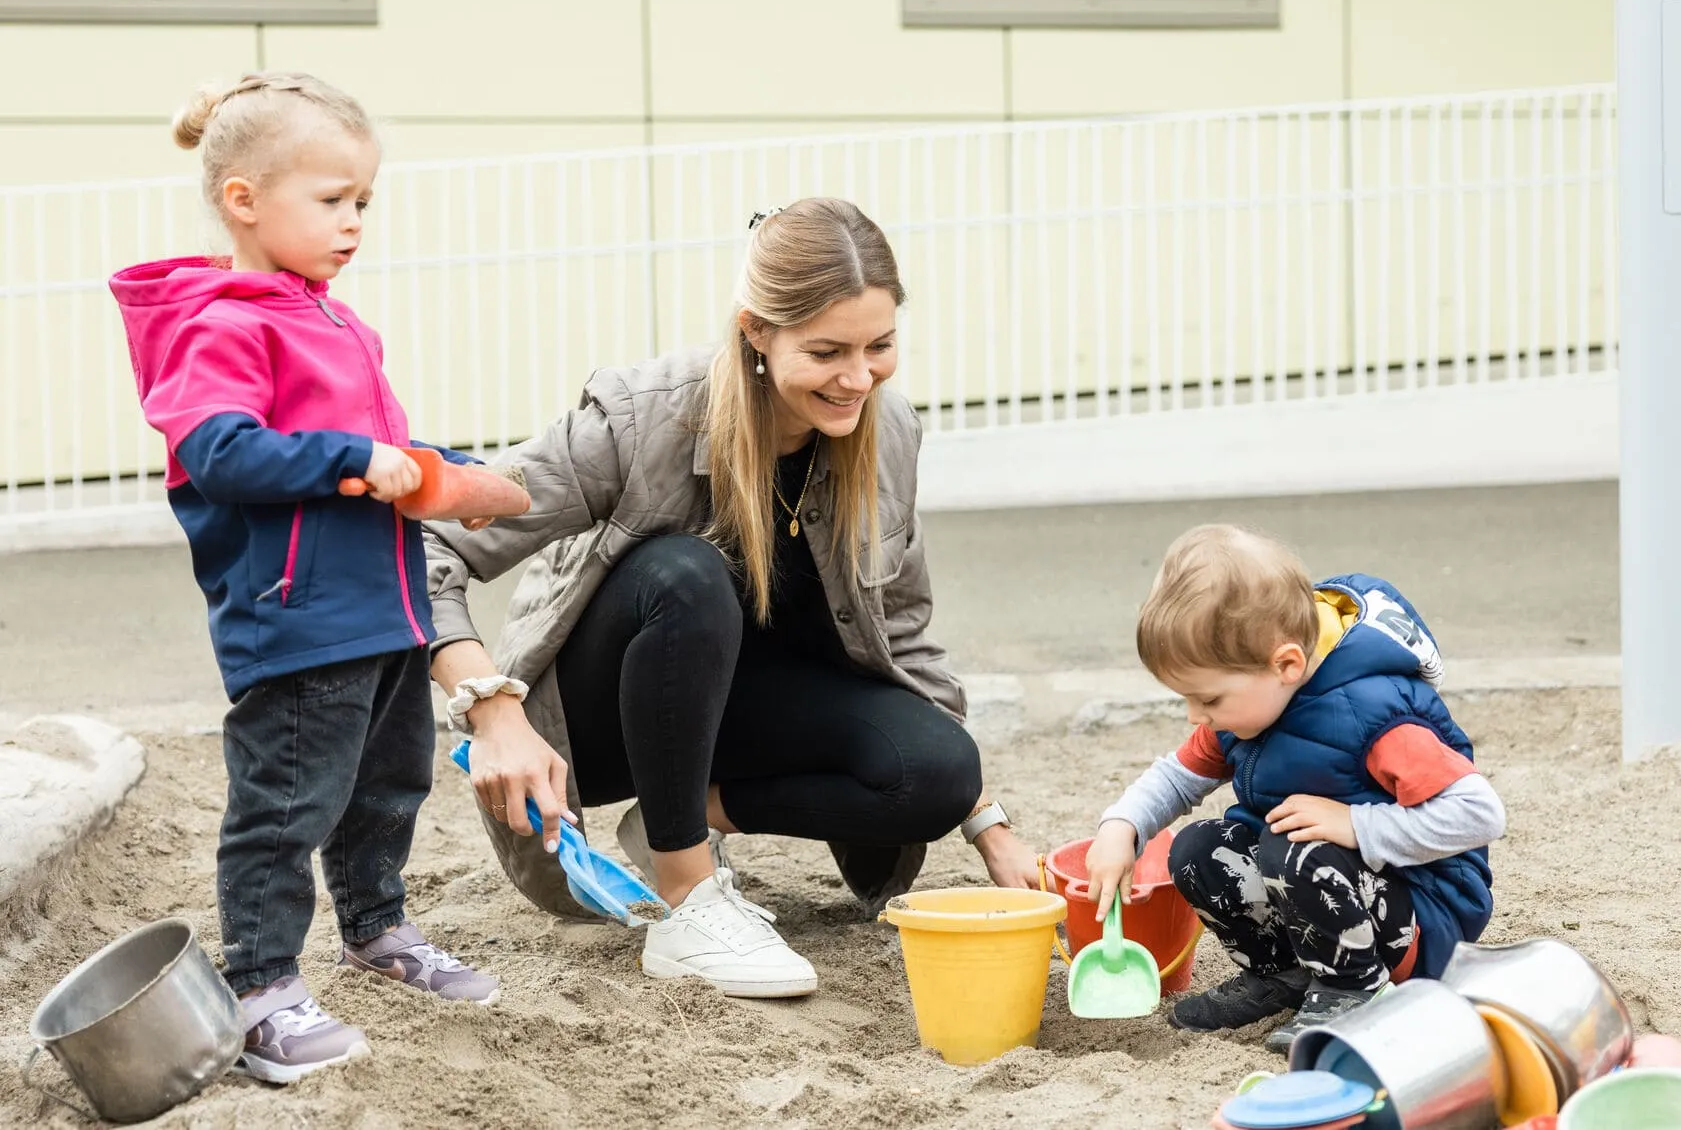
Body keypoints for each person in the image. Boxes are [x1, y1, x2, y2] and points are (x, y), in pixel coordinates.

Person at [422, 197, 1038, 999]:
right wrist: (492, 713)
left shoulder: (886, 432)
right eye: (826, 352)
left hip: (730, 716)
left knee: (940, 772)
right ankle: (687, 902)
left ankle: (689, 816)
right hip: (594, 727)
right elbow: (432, 546)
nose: (858, 378)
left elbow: (905, 635)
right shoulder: (639, 420)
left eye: (879, 347)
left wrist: (987, 824)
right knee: (684, 574)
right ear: (755, 331)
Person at [110, 71, 497, 1084]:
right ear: (243, 199)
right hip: (298, 616)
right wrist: (351, 459)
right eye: (332, 200)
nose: (353, 221)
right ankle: (260, 984)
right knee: (285, 805)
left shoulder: (334, 321)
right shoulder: (221, 323)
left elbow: (379, 450)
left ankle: (377, 927)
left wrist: (446, 469)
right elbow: (222, 452)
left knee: (389, 785)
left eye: (363, 201)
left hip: (385, 608)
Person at [1083, 524, 1504, 1054]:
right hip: (1324, 893)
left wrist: (1356, 826)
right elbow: (1178, 775)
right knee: (1197, 849)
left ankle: (1354, 990)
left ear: (1286, 664)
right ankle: (1284, 976)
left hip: (1420, 916)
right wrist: (1123, 825)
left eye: (1208, 699)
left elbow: (1479, 814)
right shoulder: (1253, 703)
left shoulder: (1374, 715)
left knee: (1294, 846)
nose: (1197, 715)